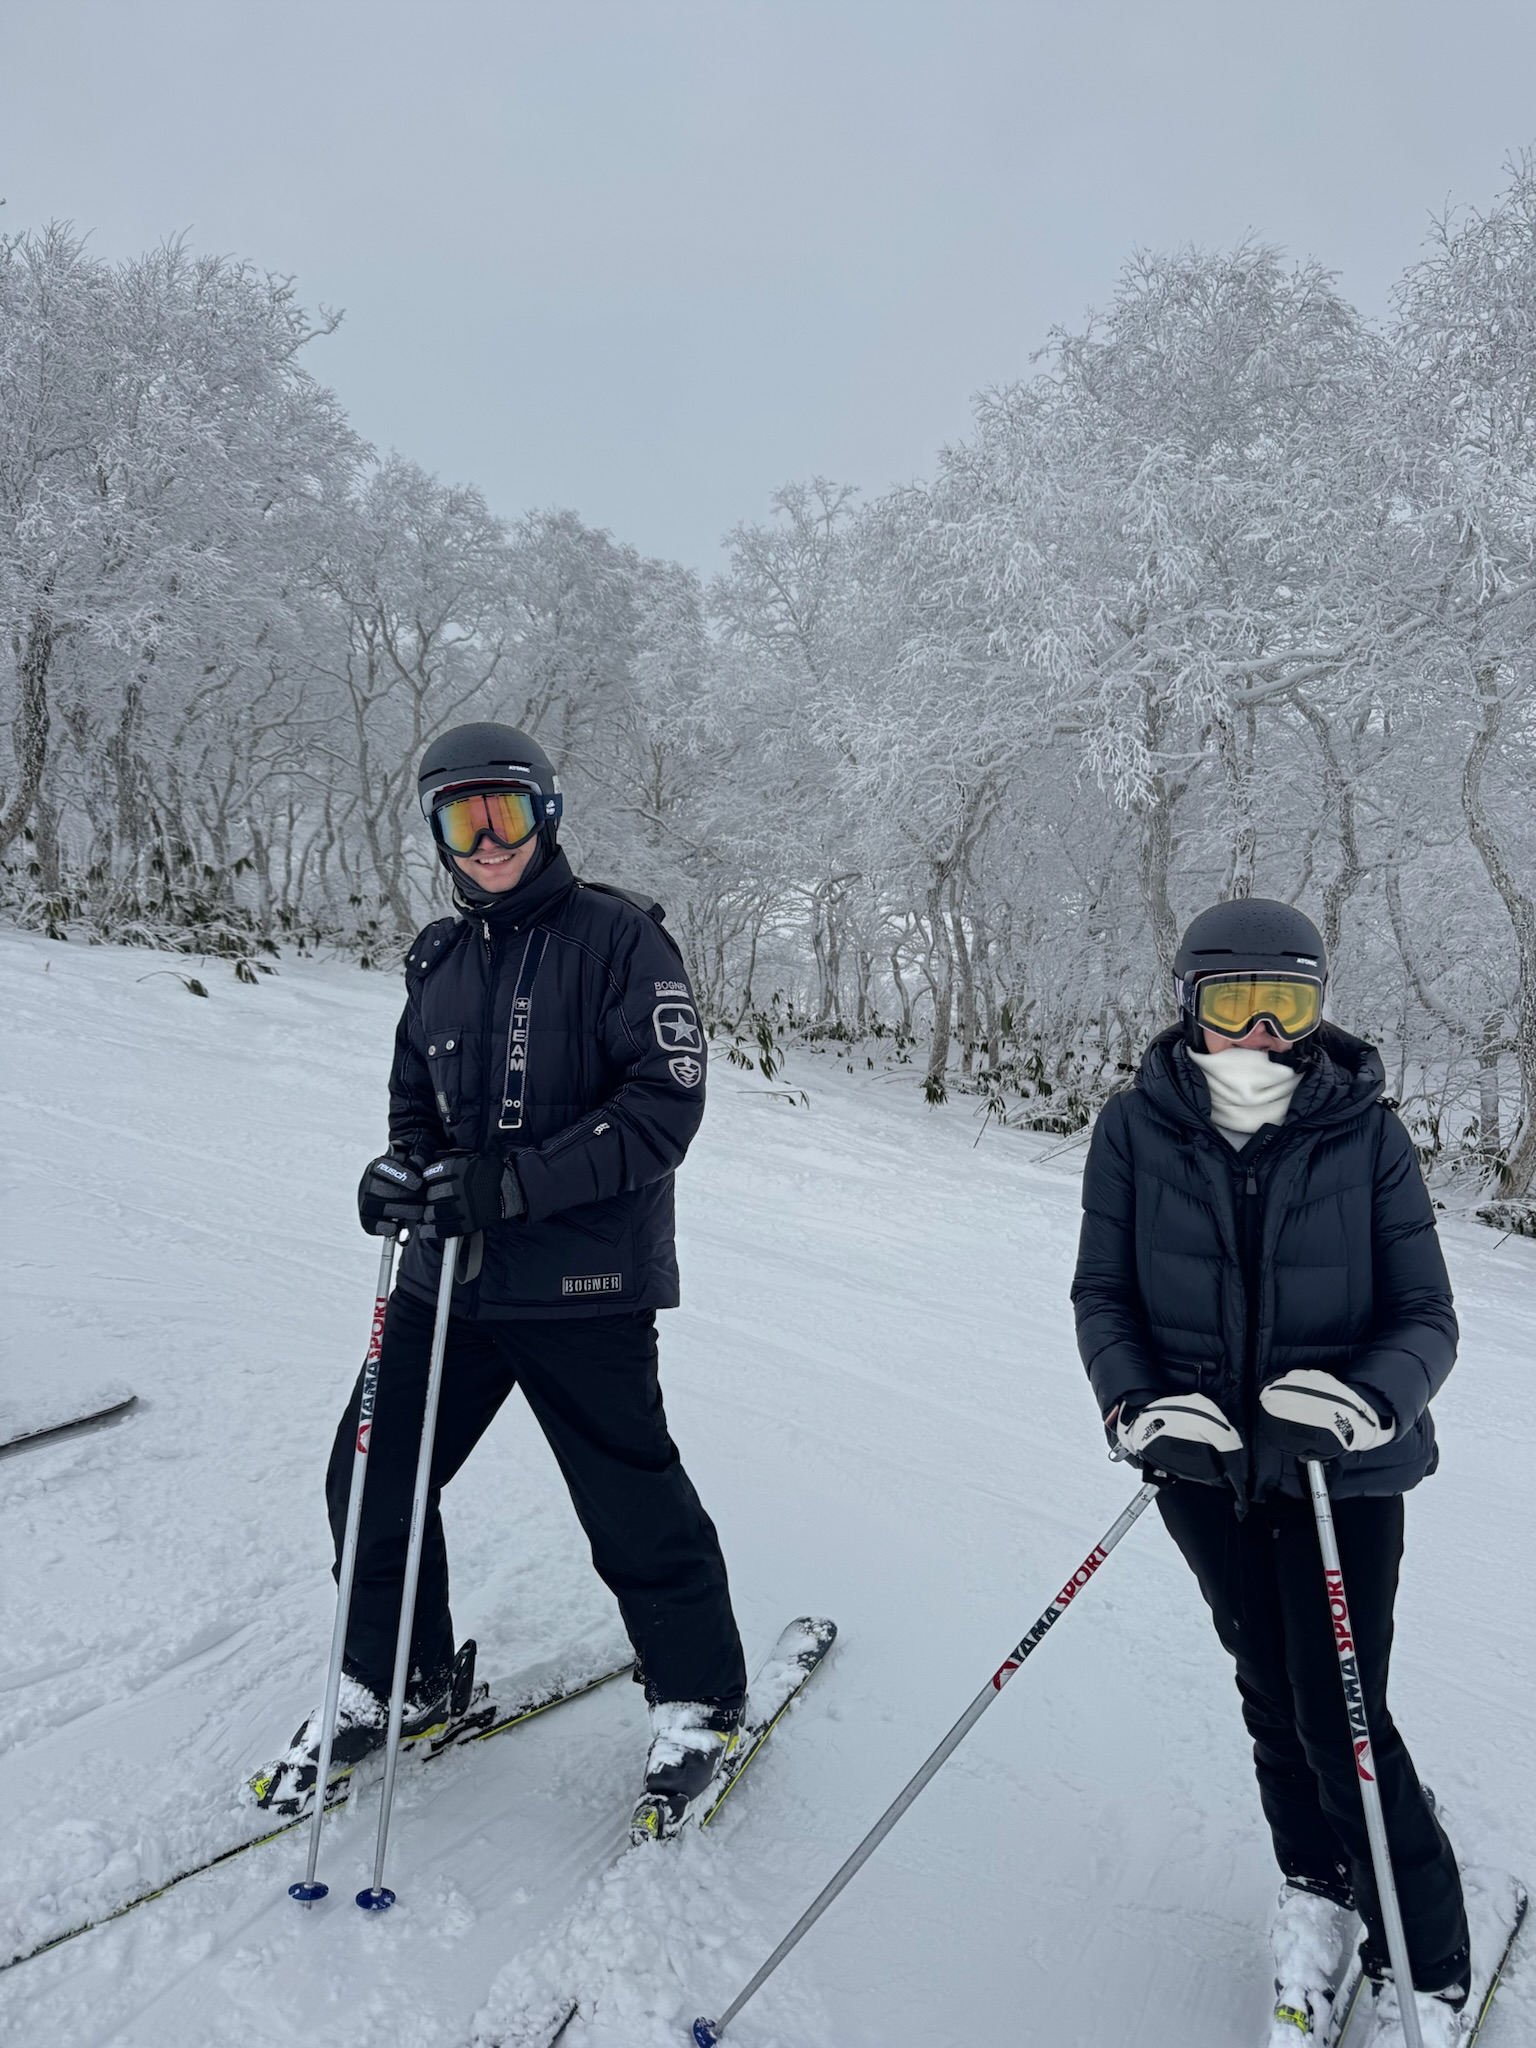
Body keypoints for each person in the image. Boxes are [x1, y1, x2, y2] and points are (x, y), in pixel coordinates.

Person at [253, 721, 746, 1837]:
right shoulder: (436, 957)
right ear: (436, 831)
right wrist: (397, 1176)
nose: (486, 841)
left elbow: (661, 1114)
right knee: (370, 1475)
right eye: (461, 820)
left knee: (628, 1500)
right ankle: (401, 1679)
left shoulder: (624, 942)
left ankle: (700, 1699)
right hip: (449, 1283)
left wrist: (508, 1186)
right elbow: (415, 1108)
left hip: (586, 1288)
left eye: (505, 814)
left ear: (547, 814)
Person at [1071, 898, 1468, 2048]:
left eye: (1284, 1003)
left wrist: (1369, 1399)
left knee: (1343, 1713)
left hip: (1340, 1474)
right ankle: (1317, 1877)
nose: (1257, 1031)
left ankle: (1428, 1946)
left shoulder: (1366, 1132)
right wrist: (1136, 1403)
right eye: (1230, 1002)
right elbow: (1104, 1295)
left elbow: (1425, 1312)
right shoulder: (1134, 1127)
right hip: (1208, 1469)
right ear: (1187, 1003)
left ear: (1316, 1007)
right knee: (1267, 1682)